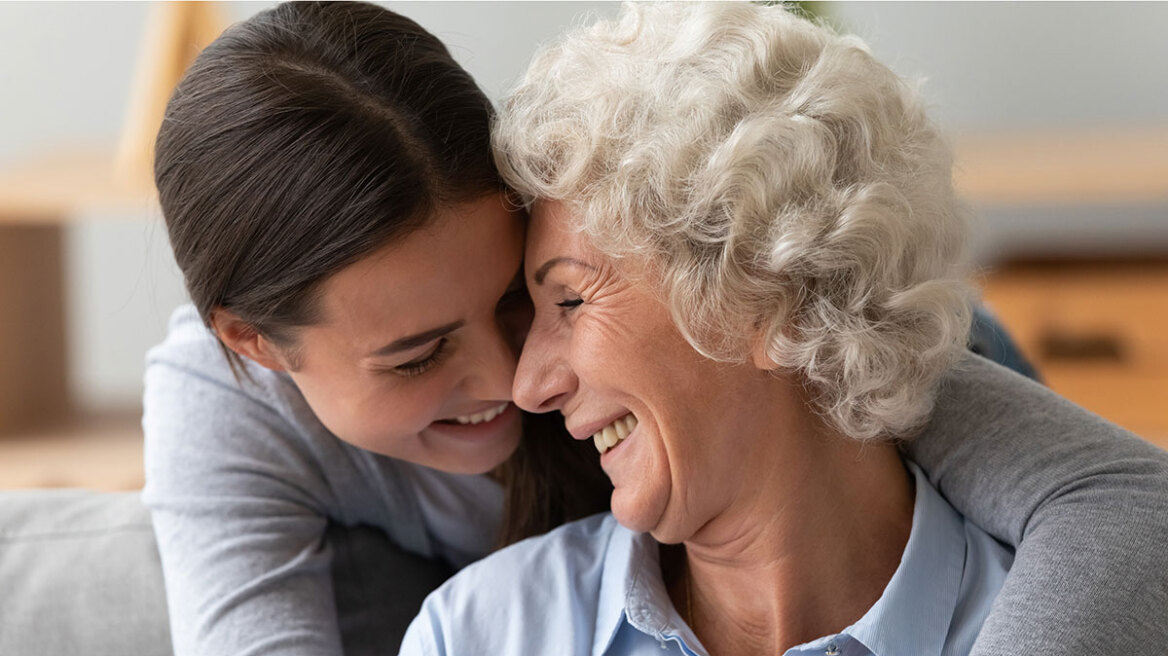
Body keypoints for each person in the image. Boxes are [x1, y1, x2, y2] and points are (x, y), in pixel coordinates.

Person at [142, 2, 1168, 655]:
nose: (516, 373)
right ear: (256, 345)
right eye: (417, 353)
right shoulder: (471, 620)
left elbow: (1127, 499)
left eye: (532, 296)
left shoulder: (840, 325)